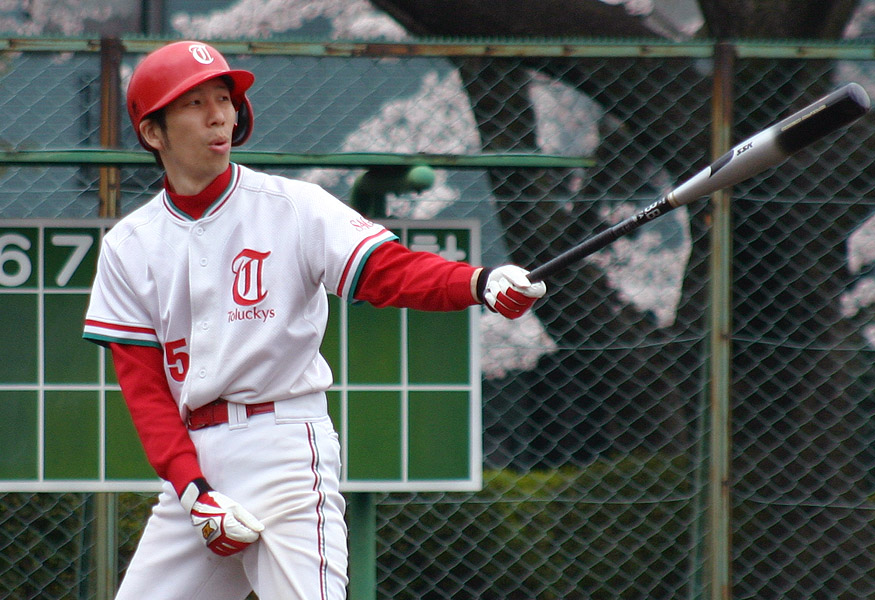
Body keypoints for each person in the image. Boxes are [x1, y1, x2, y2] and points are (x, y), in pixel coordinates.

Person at [82, 40, 546, 600]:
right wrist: (193, 492)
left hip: (283, 446)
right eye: (194, 103)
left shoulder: (293, 206)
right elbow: (146, 393)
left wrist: (479, 282)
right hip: (196, 466)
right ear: (153, 132)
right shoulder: (129, 244)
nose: (218, 115)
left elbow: (388, 270)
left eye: (224, 98)